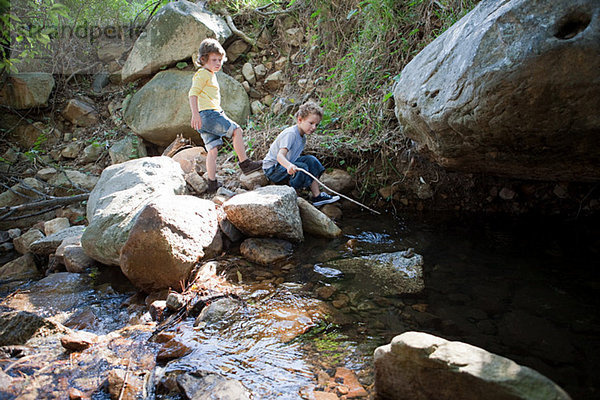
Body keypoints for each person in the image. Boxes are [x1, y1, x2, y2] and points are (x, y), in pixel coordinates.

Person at [188, 38, 262, 193]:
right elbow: (192, 94)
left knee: (213, 150)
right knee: (237, 131)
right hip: (208, 114)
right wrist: (195, 115)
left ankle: (212, 183)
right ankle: (245, 164)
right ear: (203, 59)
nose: (218, 63)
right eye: (214, 60)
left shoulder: (209, 74)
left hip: (206, 116)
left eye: (220, 60)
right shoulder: (203, 74)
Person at [263, 101, 340, 206]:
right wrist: (289, 165)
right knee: (302, 167)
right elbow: (280, 156)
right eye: (311, 123)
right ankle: (294, 194)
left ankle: (317, 196)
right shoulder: (291, 134)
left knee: (311, 161)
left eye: (316, 124)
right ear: (300, 120)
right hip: (273, 168)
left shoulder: (302, 137)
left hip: (285, 164)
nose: (314, 127)